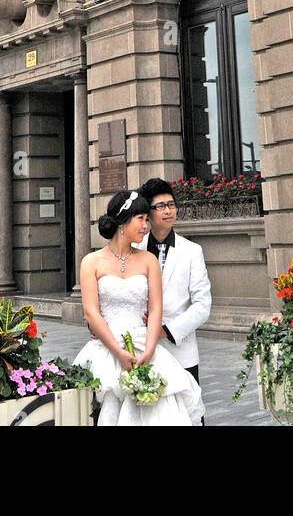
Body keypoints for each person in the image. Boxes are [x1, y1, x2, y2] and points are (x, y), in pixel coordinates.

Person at [72, 188, 205, 426]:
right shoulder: (90, 262)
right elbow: (91, 311)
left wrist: (150, 349)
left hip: (146, 347)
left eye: (146, 218)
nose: (146, 225)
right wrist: (118, 352)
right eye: (141, 219)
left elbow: (155, 309)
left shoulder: (148, 260)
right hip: (106, 349)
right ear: (123, 222)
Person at [138, 178, 212, 386]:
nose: (168, 211)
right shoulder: (135, 248)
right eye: (160, 206)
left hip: (181, 351)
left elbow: (202, 305)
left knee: (187, 414)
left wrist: (167, 330)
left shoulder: (191, 251)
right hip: (141, 348)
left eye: (171, 205)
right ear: (148, 213)